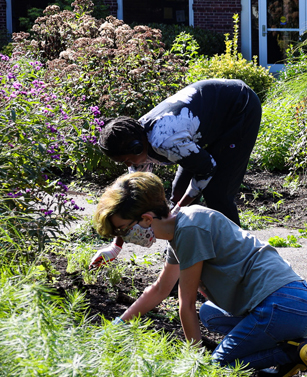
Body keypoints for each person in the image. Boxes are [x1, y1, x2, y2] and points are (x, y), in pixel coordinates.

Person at [92, 172, 307, 377]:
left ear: (146, 219)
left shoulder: (190, 231)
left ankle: (293, 353)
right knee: (210, 314)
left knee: (219, 365)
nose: (124, 237)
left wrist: (196, 364)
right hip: (296, 304)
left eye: (124, 229)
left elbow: (186, 304)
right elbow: (160, 289)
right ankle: (289, 345)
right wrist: (119, 324)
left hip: (283, 307)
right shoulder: (183, 226)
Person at [90, 78, 262, 267]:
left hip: (238, 107)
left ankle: (242, 259)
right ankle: (180, 258)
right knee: (179, 191)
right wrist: (115, 247)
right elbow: (133, 202)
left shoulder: (165, 141)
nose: (128, 165)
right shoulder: (135, 140)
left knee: (218, 193)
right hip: (210, 120)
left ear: (138, 147)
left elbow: (207, 168)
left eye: (127, 160)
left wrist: (178, 208)